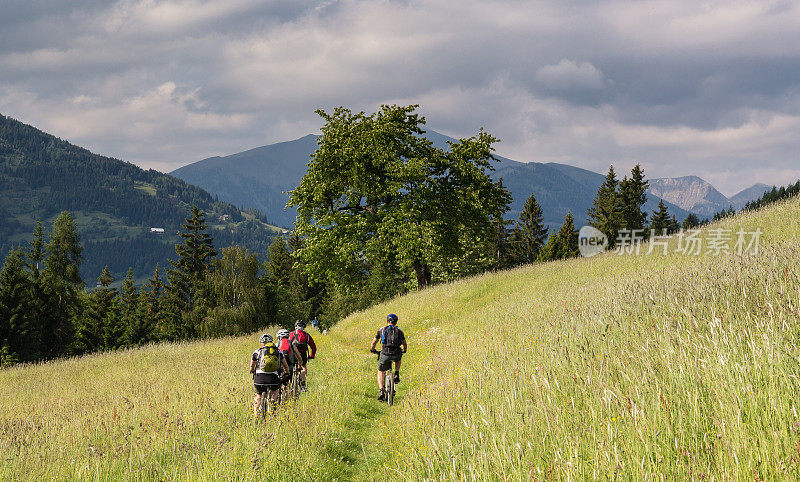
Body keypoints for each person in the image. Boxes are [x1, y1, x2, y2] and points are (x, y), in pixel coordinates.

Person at [250, 333, 290, 416]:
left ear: (261, 342)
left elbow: (252, 366)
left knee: (258, 395)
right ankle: (272, 405)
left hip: (260, 378)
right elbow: (285, 366)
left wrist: (252, 371)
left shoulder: (256, 352)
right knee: (275, 390)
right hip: (273, 377)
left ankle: (256, 414)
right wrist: (287, 373)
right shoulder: (278, 352)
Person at [370, 313, 407, 401]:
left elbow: (374, 342)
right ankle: (397, 373)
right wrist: (404, 350)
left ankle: (381, 390)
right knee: (399, 357)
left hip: (385, 353)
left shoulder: (382, 329)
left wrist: (372, 349)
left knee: (380, 371)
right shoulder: (399, 331)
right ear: (396, 322)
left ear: (387, 321)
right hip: (396, 353)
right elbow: (404, 344)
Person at [289, 320, 317, 391]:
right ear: (304, 327)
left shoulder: (291, 334)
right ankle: (303, 385)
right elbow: (313, 347)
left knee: (291, 366)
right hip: (303, 354)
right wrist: (311, 355)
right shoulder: (306, 335)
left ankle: (289, 385)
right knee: (303, 367)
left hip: (293, 354)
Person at [276, 328, 302, 393]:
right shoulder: (292, 345)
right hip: (290, 367)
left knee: (277, 385)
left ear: (279, 337)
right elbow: (299, 357)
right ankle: (286, 399)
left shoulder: (276, 345)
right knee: (287, 385)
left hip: (279, 368)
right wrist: (299, 366)